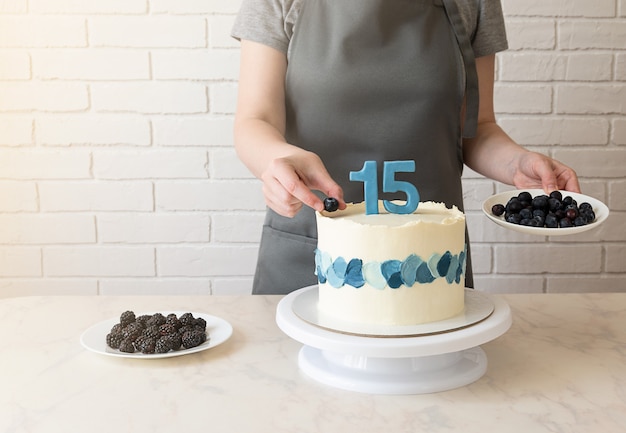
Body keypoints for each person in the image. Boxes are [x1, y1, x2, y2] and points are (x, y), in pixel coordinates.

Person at [231, 0, 581, 295]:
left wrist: (517, 163)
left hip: (428, 265)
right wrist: (276, 160)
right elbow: (254, 120)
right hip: (309, 251)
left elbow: (476, 130)